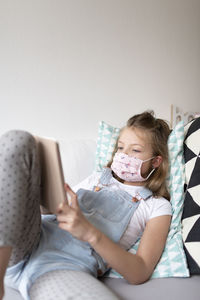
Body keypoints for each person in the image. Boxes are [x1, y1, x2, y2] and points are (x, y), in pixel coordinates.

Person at [0, 111, 172, 300]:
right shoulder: (97, 178)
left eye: (135, 150)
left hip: (62, 268)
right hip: (26, 243)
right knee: (18, 140)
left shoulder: (157, 206)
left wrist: (89, 233)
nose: (124, 155)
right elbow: (53, 209)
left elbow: (140, 271)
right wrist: (42, 194)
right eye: (120, 147)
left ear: (156, 161)